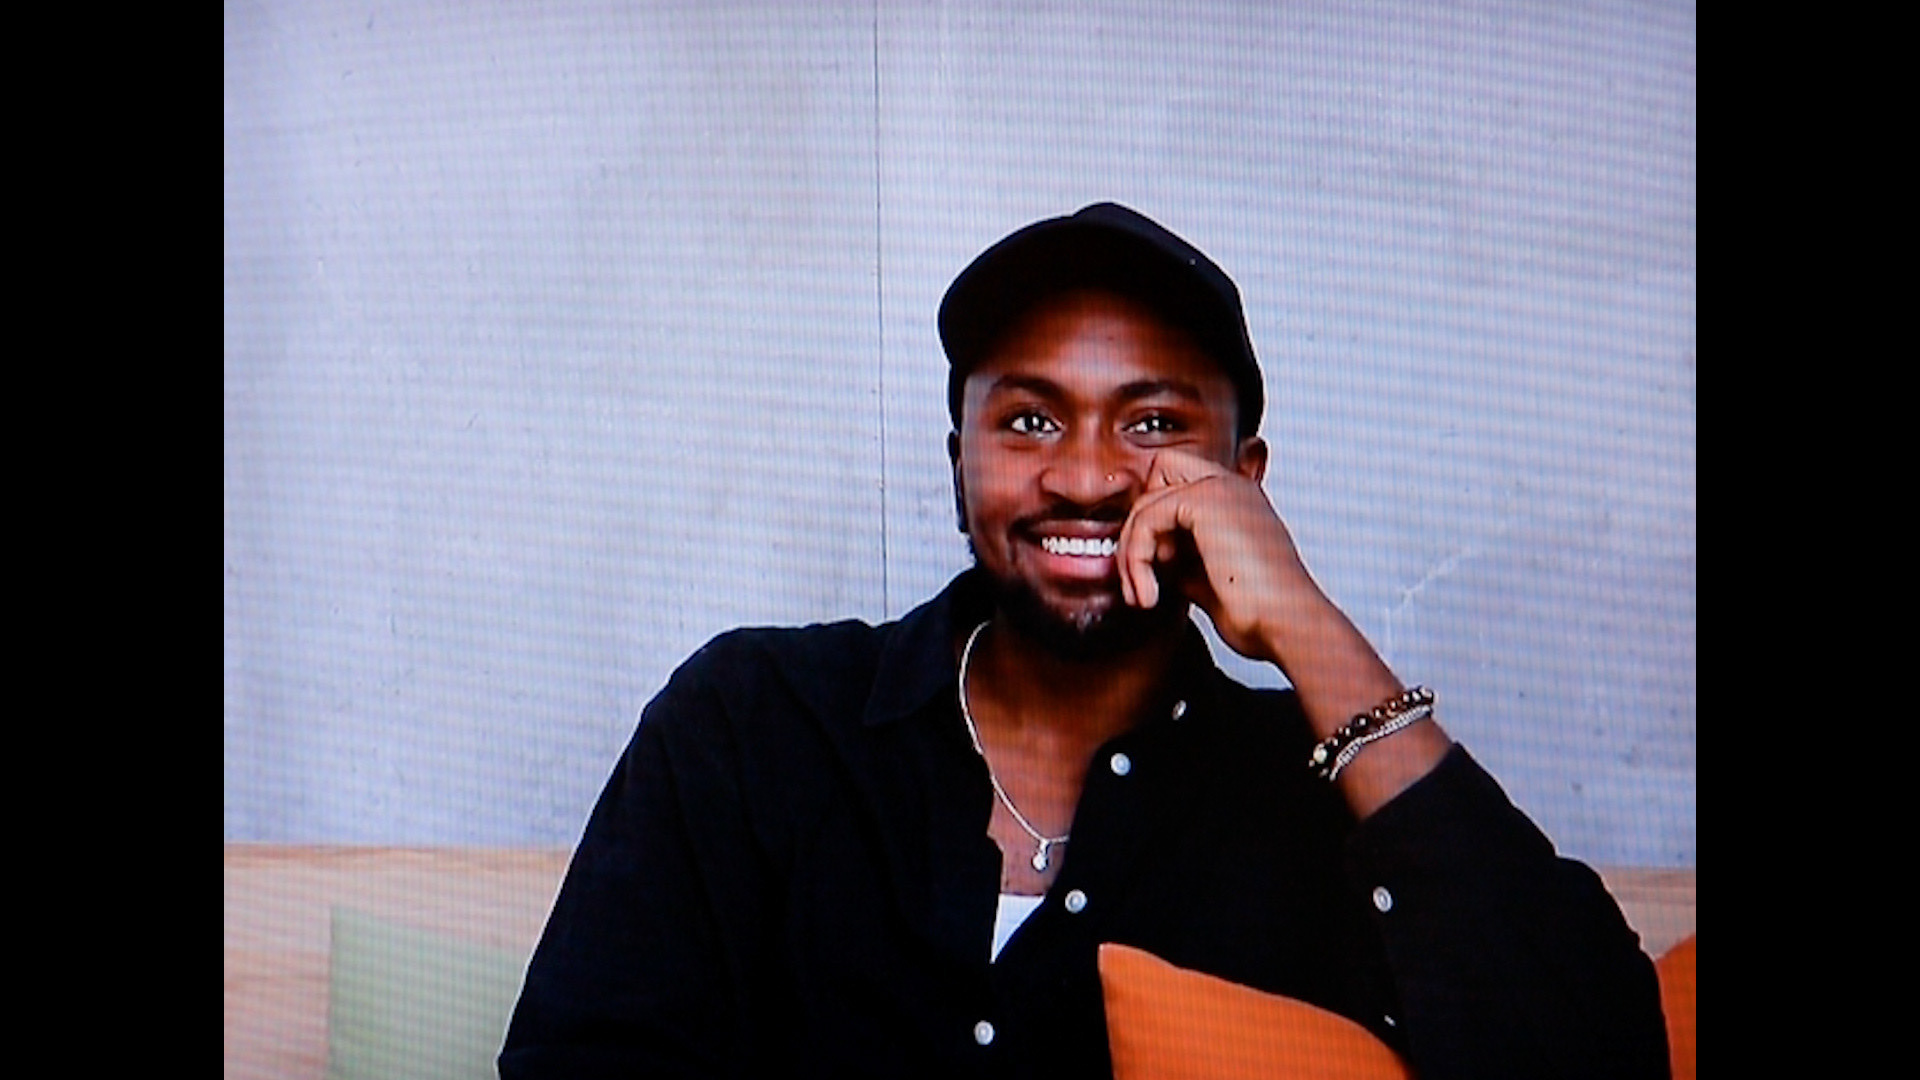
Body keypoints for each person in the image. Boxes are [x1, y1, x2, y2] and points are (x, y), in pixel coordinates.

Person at [498, 203, 1671, 1079]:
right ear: (958, 466)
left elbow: (1595, 1058)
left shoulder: (1320, 800)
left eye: (1152, 422)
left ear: (1246, 480)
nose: (1087, 475)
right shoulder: (754, 722)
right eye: (1028, 419)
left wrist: (1308, 624)